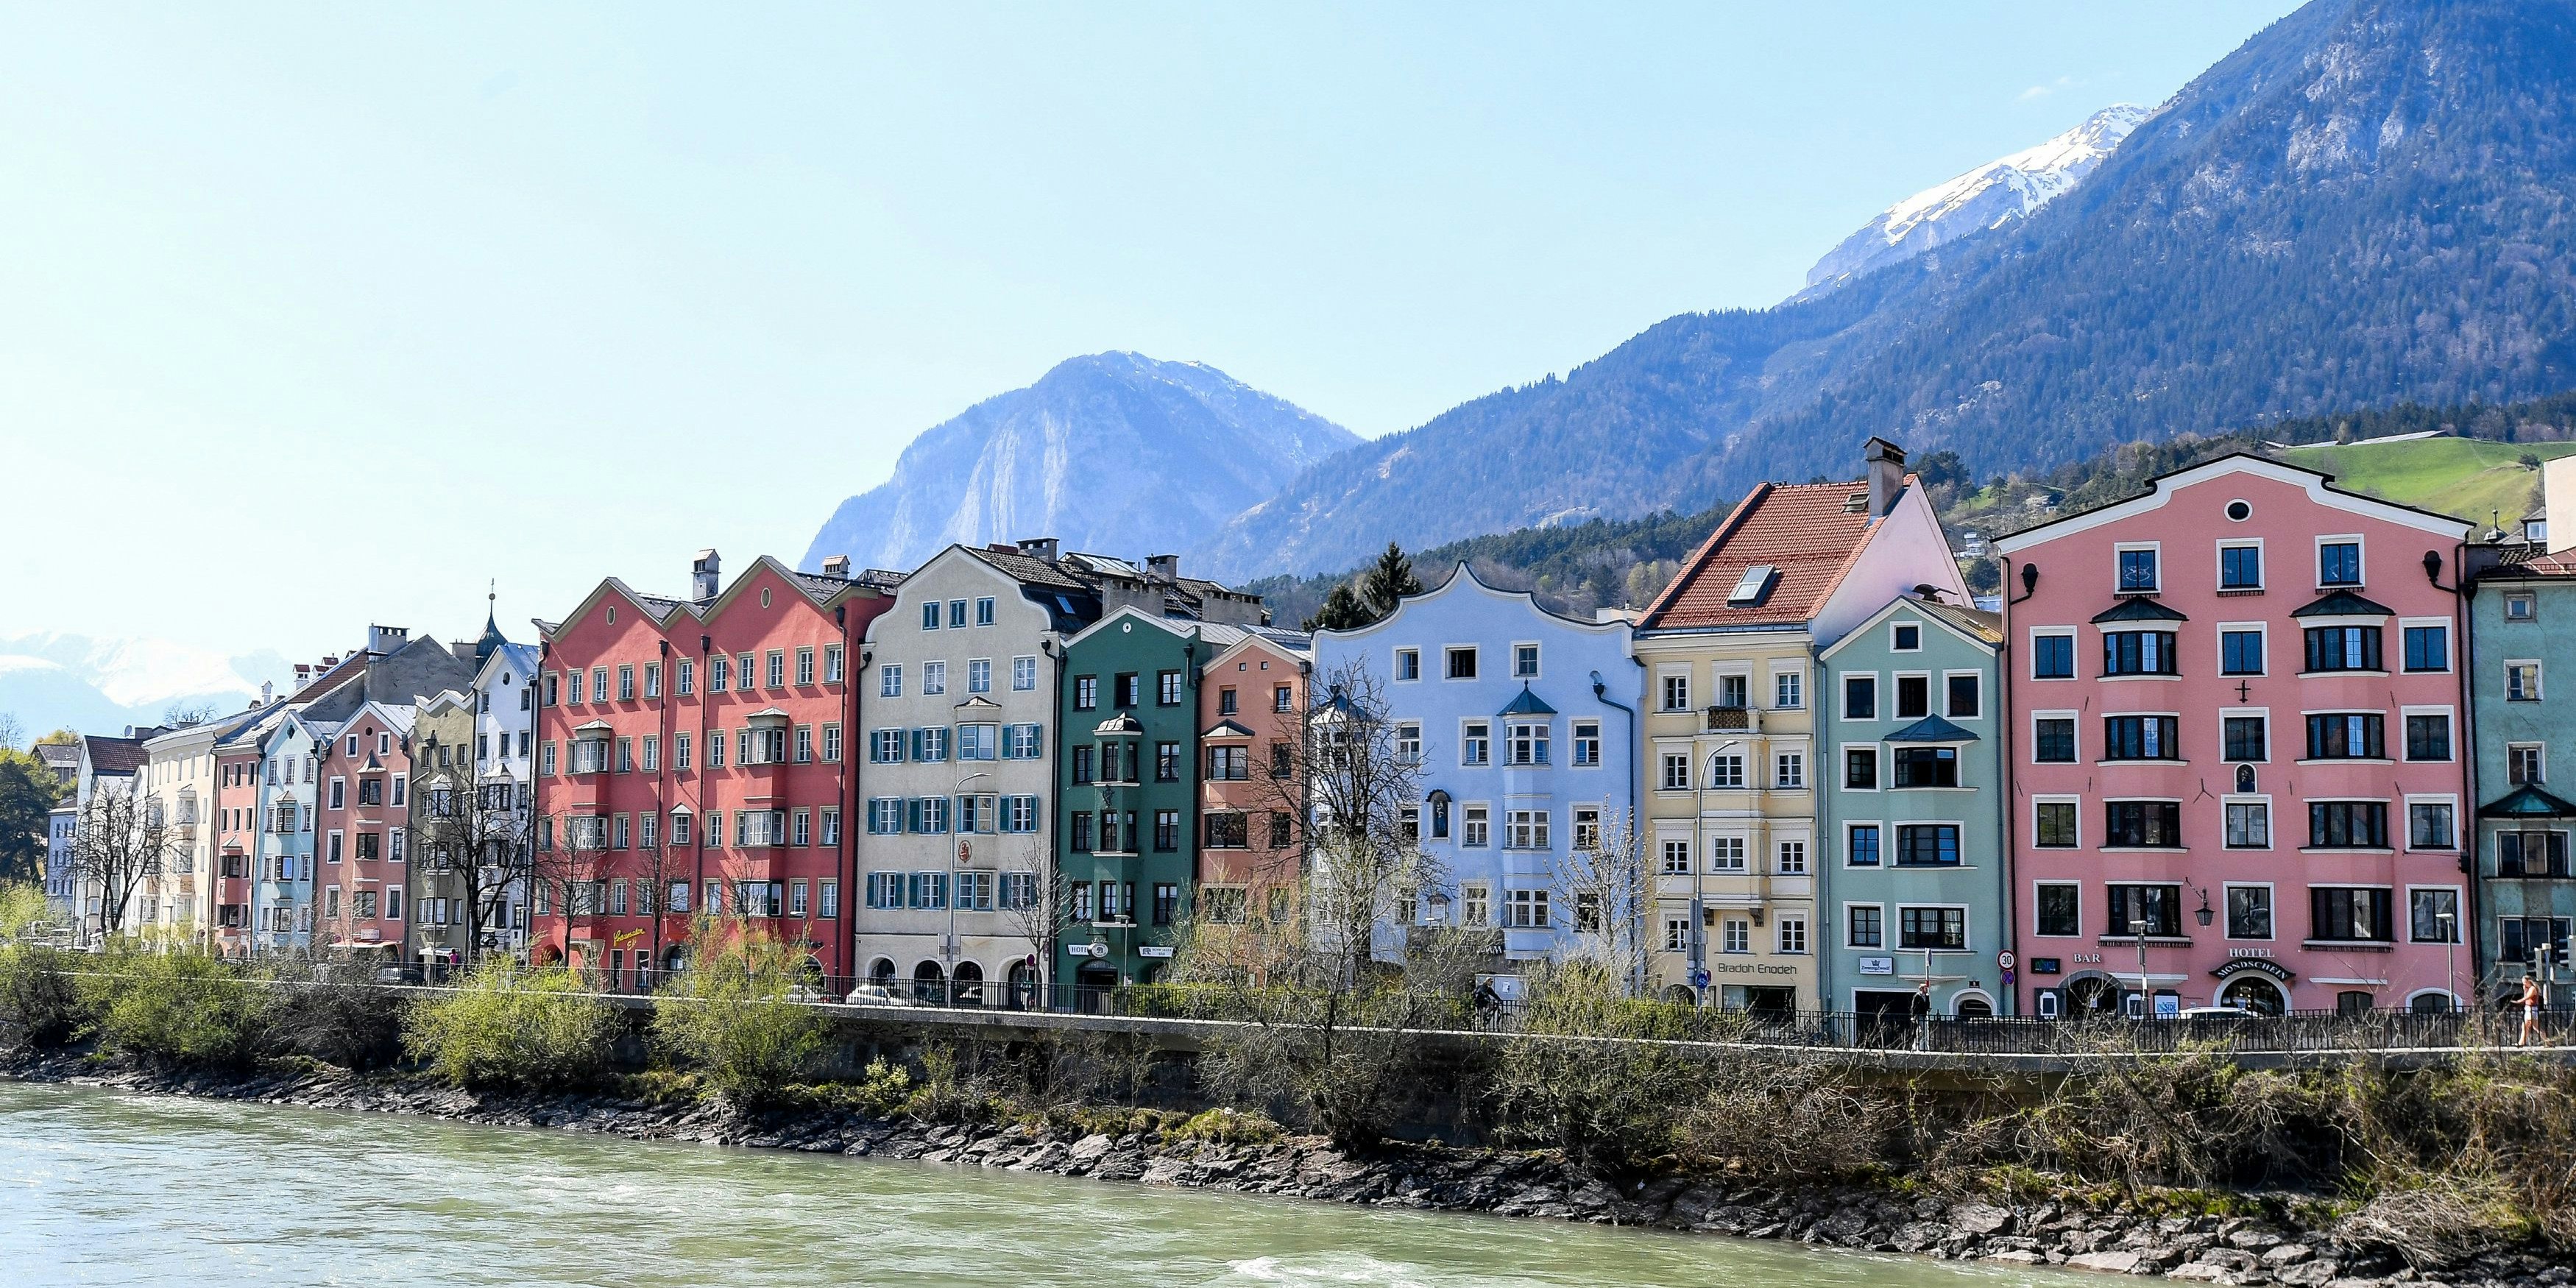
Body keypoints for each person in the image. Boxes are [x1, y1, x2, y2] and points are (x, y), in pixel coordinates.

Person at [2520, 973, 2546, 1047]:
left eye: (2525, 982)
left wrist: (2519, 1000)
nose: (2524, 984)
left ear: (2529, 981)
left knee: (2534, 1027)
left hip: (2532, 1009)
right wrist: (2525, 991)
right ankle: (2521, 1043)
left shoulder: (2533, 989)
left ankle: (2548, 1041)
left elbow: (2527, 998)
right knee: (2525, 1027)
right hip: (2528, 1009)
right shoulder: (2529, 989)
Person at [1910, 980, 1933, 1051]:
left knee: (1924, 1030)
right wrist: (1912, 1016)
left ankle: (1923, 1045)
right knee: (1922, 1030)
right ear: (1921, 989)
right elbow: (1913, 1006)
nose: (1926, 990)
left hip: (1924, 1014)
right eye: (1925, 988)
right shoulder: (1917, 996)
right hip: (1918, 1014)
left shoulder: (1927, 996)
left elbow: (1927, 1004)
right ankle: (1918, 1045)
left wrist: (1928, 1009)